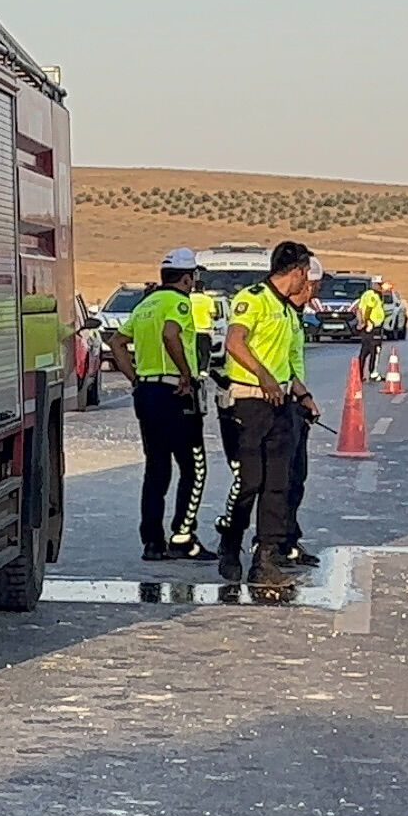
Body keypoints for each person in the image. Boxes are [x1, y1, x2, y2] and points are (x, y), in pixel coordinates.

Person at [219, 240, 318, 591]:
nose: (305, 279)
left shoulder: (289, 312)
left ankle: (266, 560)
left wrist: (302, 395)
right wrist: (263, 376)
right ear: (295, 271)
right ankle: (230, 543)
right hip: (249, 401)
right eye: (303, 273)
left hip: (281, 405)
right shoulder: (254, 299)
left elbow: (290, 363)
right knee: (251, 483)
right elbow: (235, 341)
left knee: (279, 484)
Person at [122, 249, 211, 560]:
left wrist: (134, 377)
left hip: (147, 394)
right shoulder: (179, 303)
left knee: (156, 469)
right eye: (193, 277)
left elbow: (117, 342)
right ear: (186, 278)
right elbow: (171, 334)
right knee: (194, 467)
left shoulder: (145, 304)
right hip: (175, 393)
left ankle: (152, 541)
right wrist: (186, 373)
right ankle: (183, 536)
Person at [352, 281, 389, 387]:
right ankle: (373, 373)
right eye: (380, 285)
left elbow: (358, 308)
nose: (382, 288)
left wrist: (361, 322)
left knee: (365, 350)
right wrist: (368, 322)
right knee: (375, 350)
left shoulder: (367, 294)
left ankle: (360, 374)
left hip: (370, 326)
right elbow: (368, 309)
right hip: (372, 327)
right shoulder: (372, 296)